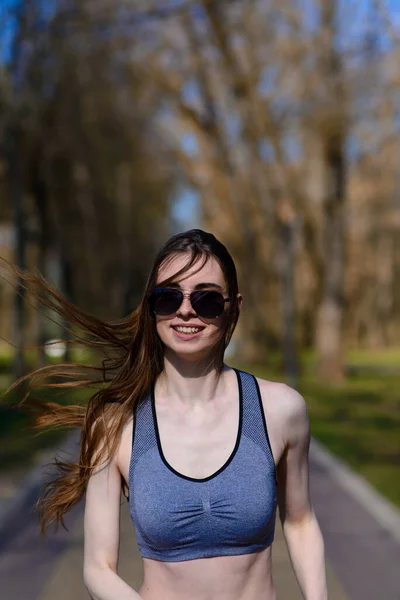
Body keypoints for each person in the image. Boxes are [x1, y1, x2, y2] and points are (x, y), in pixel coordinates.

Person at [11, 229, 328, 600]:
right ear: (151, 307)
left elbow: (301, 521)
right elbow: (98, 569)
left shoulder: (281, 410)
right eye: (168, 297)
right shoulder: (114, 424)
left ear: (234, 309)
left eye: (207, 299)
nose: (186, 309)